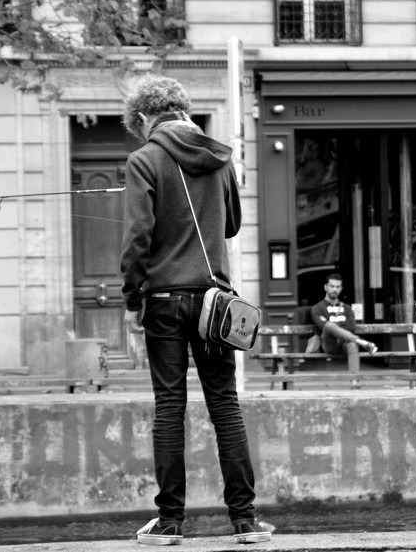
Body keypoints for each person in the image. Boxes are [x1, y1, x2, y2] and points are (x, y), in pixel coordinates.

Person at [119, 75, 272, 546]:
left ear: (144, 117)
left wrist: (130, 302)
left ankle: (169, 523)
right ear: (181, 110)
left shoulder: (143, 159)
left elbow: (137, 239)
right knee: (225, 406)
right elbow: (230, 225)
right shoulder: (219, 156)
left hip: (163, 301)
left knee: (170, 407)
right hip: (212, 303)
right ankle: (245, 522)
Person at [310, 273, 378, 389]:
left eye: (337, 287)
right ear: (325, 287)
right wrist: (336, 327)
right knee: (328, 326)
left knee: (352, 344)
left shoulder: (347, 308)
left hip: (344, 344)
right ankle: (363, 343)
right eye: (331, 286)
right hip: (329, 344)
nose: (334, 289)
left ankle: (354, 383)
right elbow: (323, 326)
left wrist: (337, 330)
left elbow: (351, 327)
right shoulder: (317, 308)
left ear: (341, 289)